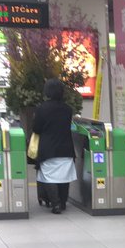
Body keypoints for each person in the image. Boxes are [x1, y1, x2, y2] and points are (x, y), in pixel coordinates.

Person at [30, 79, 77, 214]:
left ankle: (55, 204)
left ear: (47, 91)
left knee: (49, 176)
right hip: (66, 147)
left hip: (48, 149)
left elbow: (36, 128)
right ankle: (62, 202)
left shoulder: (41, 108)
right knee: (64, 176)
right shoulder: (67, 109)